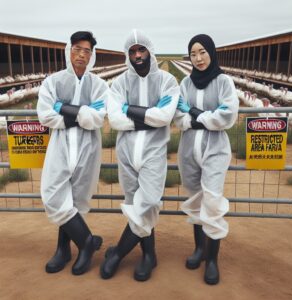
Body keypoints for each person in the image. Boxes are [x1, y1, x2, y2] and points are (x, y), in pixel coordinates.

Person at [101, 29, 179, 281]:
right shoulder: (120, 82)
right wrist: (148, 116)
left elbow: (164, 116)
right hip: (127, 152)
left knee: (148, 203)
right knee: (136, 203)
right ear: (128, 55)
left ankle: (118, 253)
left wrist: (129, 110)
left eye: (141, 49)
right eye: (132, 51)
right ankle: (149, 255)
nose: (137, 55)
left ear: (150, 51)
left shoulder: (167, 81)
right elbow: (115, 119)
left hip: (154, 152)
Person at [37, 31, 109, 275]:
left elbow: (97, 118)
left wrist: (63, 108)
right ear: (69, 51)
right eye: (77, 49)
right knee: (53, 195)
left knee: (75, 201)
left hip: (87, 148)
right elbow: (46, 115)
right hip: (61, 145)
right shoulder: (53, 81)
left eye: (86, 50)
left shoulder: (99, 85)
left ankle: (63, 250)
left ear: (92, 55)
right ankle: (87, 242)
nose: (81, 55)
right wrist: (81, 113)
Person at [174, 34, 239, 285]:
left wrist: (196, 118)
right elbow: (178, 114)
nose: (198, 58)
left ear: (211, 52)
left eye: (202, 52)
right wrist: (198, 117)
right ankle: (199, 249)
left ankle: (212, 259)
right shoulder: (185, 84)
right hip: (188, 150)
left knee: (211, 200)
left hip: (215, 150)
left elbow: (227, 114)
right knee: (195, 199)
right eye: (193, 54)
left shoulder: (224, 82)